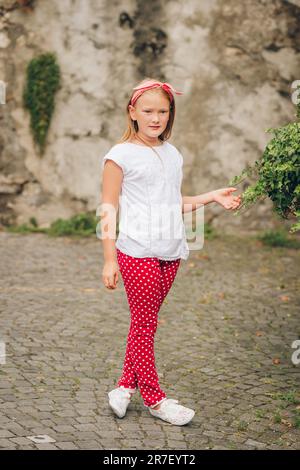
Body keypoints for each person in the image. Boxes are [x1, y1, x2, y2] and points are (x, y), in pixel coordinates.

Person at [99, 78, 241, 426]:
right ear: (132, 112)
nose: (156, 118)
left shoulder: (172, 153)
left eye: (163, 111)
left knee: (143, 324)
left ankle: (123, 386)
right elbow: (108, 209)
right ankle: (155, 399)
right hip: (137, 251)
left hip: (171, 251)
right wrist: (108, 259)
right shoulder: (119, 156)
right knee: (146, 323)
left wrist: (211, 197)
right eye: (148, 111)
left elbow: (172, 203)